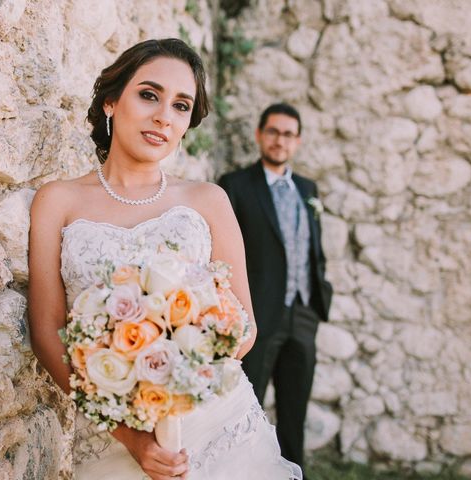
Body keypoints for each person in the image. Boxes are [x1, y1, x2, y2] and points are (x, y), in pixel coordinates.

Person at [28, 39, 302, 480]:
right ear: (112, 101)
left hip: (218, 426)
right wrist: (128, 431)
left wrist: (179, 361)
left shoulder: (208, 200)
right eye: (149, 95)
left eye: (180, 106)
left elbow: (244, 325)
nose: (163, 117)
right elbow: (46, 332)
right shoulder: (57, 201)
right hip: (111, 438)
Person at [218, 103, 333, 473]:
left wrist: (318, 299)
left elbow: (314, 248)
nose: (279, 140)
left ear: (297, 141)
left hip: (303, 315)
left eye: (287, 134)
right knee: (244, 408)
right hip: (257, 316)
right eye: (273, 131)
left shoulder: (307, 189)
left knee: (294, 412)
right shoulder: (235, 186)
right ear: (259, 135)